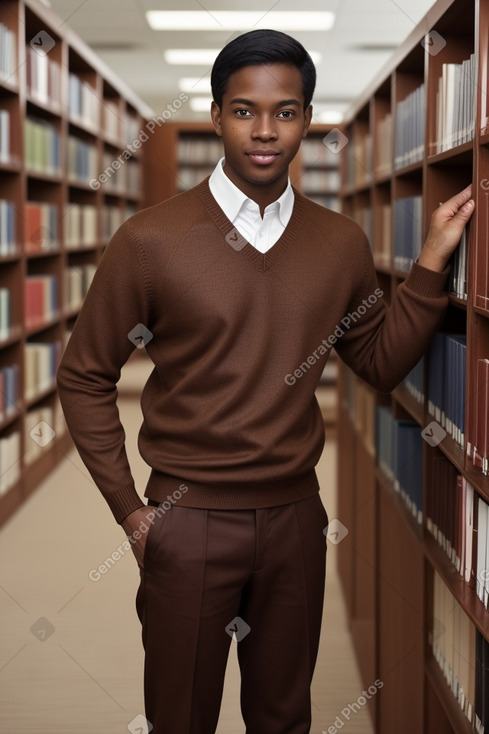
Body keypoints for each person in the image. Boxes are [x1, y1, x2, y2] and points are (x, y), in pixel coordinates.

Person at [56, 28, 474, 734]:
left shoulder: (339, 242)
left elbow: (375, 362)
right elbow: (84, 374)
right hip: (184, 520)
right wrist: (131, 509)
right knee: (180, 717)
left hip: (295, 522)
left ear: (307, 121)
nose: (264, 130)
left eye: (285, 112)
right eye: (244, 110)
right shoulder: (150, 240)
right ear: (217, 115)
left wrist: (431, 265)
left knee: (283, 718)